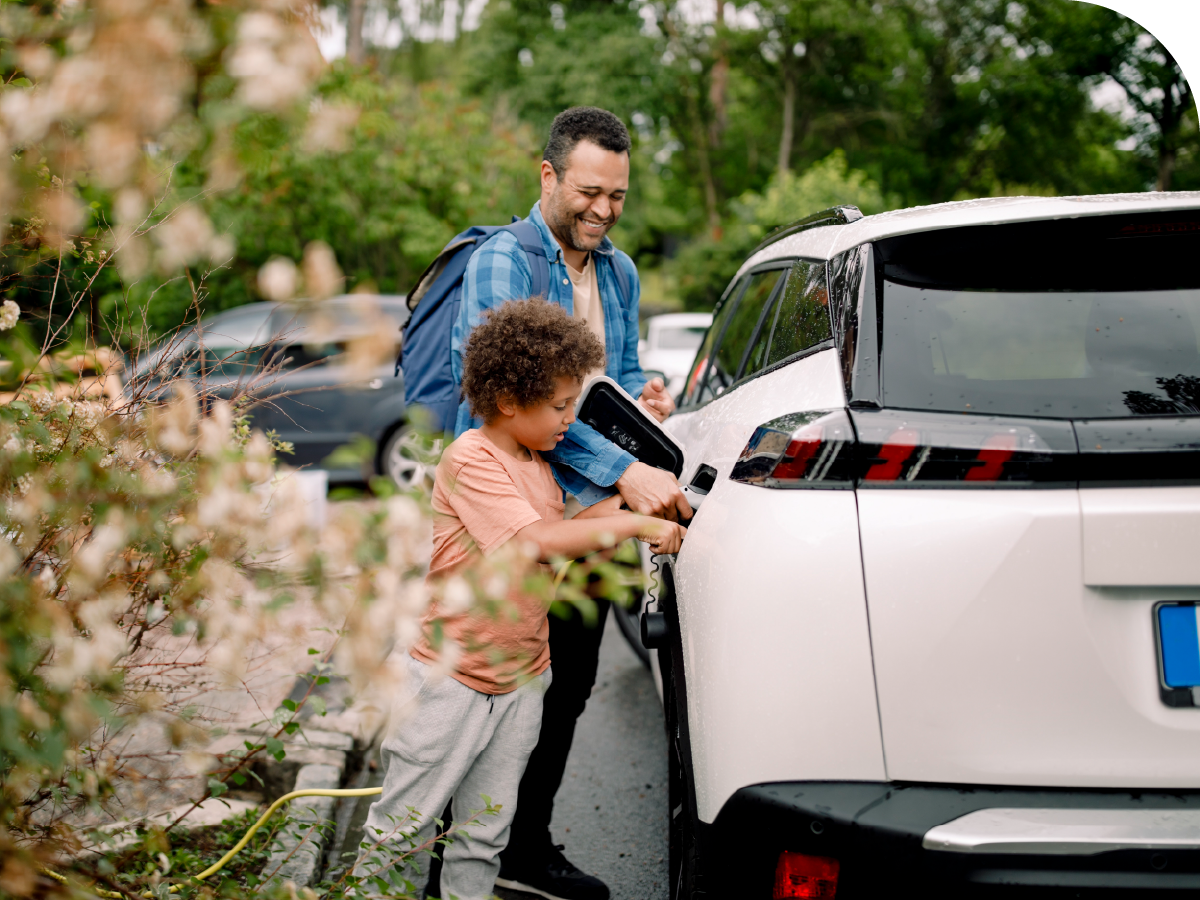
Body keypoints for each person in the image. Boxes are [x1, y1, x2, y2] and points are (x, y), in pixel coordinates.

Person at [360, 299, 685, 900]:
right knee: (402, 830)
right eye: (560, 406)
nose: (571, 419)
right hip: (449, 679)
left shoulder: (536, 460)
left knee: (485, 832)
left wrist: (646, 504)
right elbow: (536, 541)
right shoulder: (470, 460)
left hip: (520, 678)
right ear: (509, 401)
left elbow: (573, 522)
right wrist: (637, 528)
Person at [453, 107, 688, 900]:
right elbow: (514, 400)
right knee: (490, 690)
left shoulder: (618, 272)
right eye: (590, 191)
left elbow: (602, 388)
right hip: (515, 515)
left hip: (586, 524)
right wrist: (627, 471)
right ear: (547, 176)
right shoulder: (503, 262)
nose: (603, 210)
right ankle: (445, 857)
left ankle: (525, 847)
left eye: (618, 196)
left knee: (569, 687)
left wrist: (640, 410)